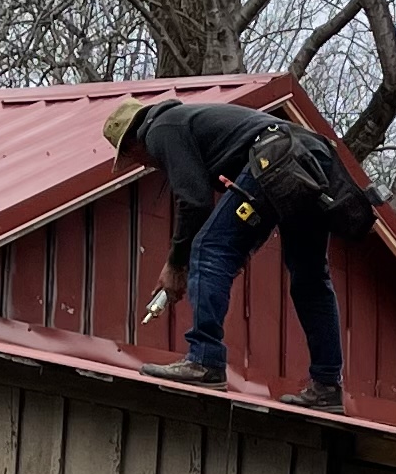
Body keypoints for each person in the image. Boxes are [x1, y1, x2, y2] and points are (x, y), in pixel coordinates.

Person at [102, 94, 374, 408]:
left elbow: (195, 201)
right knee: (310, 279)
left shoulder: (160, 128)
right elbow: (254, 205)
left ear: (133, 144)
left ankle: (204, 361)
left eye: (139, 160)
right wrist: (241, 250)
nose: (148, 164)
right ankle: (327, 386)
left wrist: (176, 263)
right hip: (309, 156)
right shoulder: (195, 123)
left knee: (207, 249)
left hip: (276, 156)